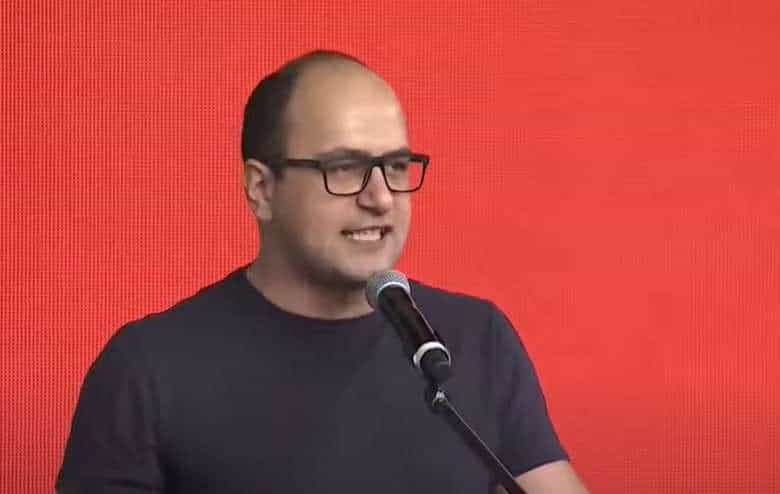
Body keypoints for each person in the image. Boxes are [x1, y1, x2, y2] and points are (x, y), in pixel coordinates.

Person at [56, 50, 589, 493]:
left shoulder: (475, 339)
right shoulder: (148, 369)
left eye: (395, 166)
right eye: (345, 168)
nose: (381, 198)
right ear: (262, 189)